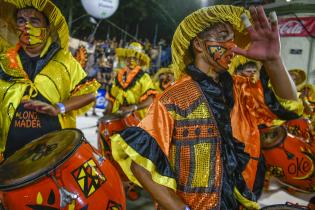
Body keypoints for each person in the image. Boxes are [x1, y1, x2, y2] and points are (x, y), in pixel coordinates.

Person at [111, 5, 299, 210]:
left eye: (233, 38)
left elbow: (287, 105)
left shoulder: (241, 90)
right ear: (199, 45)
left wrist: (274, 61)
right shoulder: (174, 97)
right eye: (222, 36)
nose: (232, 45)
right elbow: (140, 166)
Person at [0, 0, 100, 161]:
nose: (26, 26)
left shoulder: (65, 62)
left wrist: (58, 108)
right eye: (21, 21)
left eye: (34, 21)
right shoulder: (3, 62)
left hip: (54, 153)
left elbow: (90, 94)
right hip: (8, 155)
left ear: (47, 28)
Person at [105, 42, 157, 119]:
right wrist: (106, 116)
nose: (131, 61)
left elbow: (150, 99)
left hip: (137, 120)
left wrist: (134, 107)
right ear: (125, 59)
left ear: (139, 61)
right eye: (129, 57)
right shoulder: (117, 75)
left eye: (135, 58)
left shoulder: (145, 77)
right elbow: (111, 99)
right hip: (117, 117)